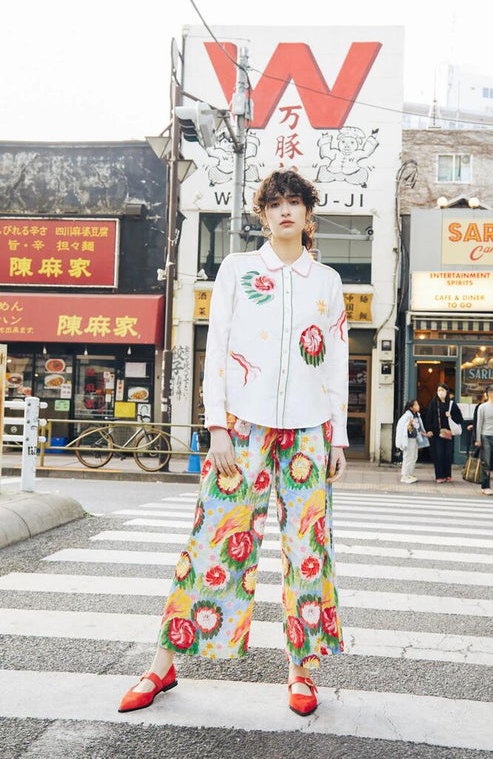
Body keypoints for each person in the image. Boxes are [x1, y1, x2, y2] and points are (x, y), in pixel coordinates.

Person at [118, 170, 349, 717]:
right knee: (212, 540)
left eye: (295, 202)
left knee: (308, 552)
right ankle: (161, 665)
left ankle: (301, 672)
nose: (286, 211)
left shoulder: (328, 282)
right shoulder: (238, 270)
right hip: (241, 428)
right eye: (276, 203)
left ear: (308, 213)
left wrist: (336, 435)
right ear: (262, 214)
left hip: (309, 431)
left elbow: (336, 361)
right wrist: (216, 424)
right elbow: (216, 347)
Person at [424, 383, 464, 483]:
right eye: (438, 390)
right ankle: (439, 476)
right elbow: (429, 417)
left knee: (448, 455)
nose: (440, 392)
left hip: (448, 433)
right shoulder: (433, 404)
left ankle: (447, 475)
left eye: (442, 390)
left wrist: (450, 416)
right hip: (437, 434)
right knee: (438, 454)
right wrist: (429, 430)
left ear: (446, 392)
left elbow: (460, 418)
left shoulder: (451, 404)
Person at [395, 399, 429, 483]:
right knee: (408, 457)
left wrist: (424, 434)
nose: (418, 406)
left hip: (414, 438)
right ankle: (405, 475)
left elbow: (417, 428)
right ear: (411, 407)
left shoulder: (416, 415)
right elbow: (404, 428)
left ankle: (410, 473)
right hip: (409, 439)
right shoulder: (407, 416)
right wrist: (409, 425)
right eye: (416, 405)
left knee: (414, 456)